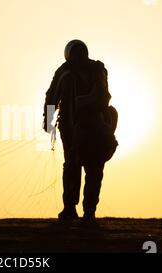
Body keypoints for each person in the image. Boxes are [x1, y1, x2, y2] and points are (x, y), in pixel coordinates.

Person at [43, 40, 117, 222]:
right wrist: (50, 121)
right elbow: (52, 98)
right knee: (91, 168)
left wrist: (49, 122)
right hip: (92, 128)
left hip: (78, 128)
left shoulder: (65, 72)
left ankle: (75, 209)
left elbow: (51, 97)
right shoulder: (95, 70)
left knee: (76, 166)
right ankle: (85, 211)